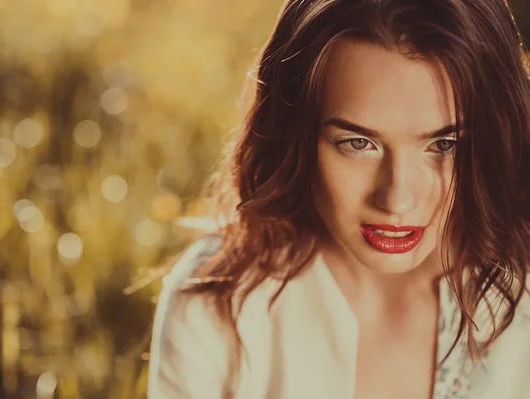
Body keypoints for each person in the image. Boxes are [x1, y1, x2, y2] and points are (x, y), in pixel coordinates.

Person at [147, 0, 530, 398]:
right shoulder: (218, 304)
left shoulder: (522, 297)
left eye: (444, 144)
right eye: (357, 143)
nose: (396, 200)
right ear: (296, 136)